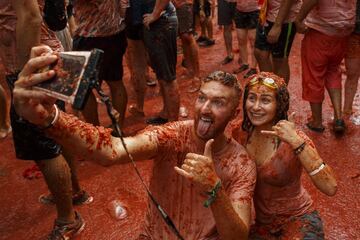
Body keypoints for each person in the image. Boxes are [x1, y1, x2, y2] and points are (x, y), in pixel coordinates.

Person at [13, 52, 256, 239]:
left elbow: (237, 235)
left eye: (218, 103)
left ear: (235, 113)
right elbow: (113, 150)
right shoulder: (173, 135)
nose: (204, 108)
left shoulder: (241, 163)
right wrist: (49, 117)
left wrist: (214, 189)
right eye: (202, 98)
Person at [2, 1, 91, 239]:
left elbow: (30, 17)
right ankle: (74, 192)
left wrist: (25, 74)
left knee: (44, 148)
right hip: (41, 57)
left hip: (32, 63)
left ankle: (67, 219)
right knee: (56, 130)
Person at [232, 72, 337, 239]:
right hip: (263, 226)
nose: (256, 107)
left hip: (298, 219)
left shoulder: (294, 138)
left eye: (265, 100)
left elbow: (330, 187)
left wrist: (296, 142)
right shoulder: (239, 132)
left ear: (279, 105)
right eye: (252, 98)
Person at [294, 0, 356, 133]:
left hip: (321, 30)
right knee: (333, 70)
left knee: (314, 76)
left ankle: (317, 122)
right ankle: (338, 118)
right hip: (343, 31)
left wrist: (299, 19)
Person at [72, 0, 128, 127]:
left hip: (91, 35)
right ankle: (117, 129)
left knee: (84, 89)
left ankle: (98, 133)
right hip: (114, 31)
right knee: (115, 82)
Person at [142, 0, 181, 124]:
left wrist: (155, 13)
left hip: (161, 21)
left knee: (168, 77)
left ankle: (173, 125)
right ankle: (166, 114)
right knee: (162, 75)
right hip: (157, 22)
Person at [254, 0, 301, 83]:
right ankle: (269, 86)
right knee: (260, 53)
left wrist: (277, 25)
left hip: (284, 20)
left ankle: (280, 92)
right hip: (266, 14)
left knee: (279, 60)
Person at [173, 0, 201, 92]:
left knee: (187, 36)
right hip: (175, 5)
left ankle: (197, 75)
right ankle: (190, 69)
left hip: (183, 4)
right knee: (183, 36)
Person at [232, 0, 259, 78]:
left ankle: (253, 68)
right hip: (239, 10)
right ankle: (244, 63)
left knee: (253, 40)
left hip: (254, 10)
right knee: (241, 39)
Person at [343, 0, 360, 118]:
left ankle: (346, 111)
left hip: (353, 31)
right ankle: (346, 111)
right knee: (352, 74)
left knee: (352, 75)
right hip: (353, 33)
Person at [217, 0, 236, 65]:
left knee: (241, 28)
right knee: (227, 26)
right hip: (224, 2)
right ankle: (229, 54)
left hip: (241, 3)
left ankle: (243, 57)